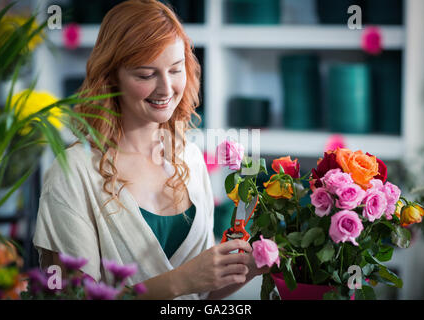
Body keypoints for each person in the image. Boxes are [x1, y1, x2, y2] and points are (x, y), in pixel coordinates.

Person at [33, 0, 268, 300]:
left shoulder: (190, 158)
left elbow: (202, 293)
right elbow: (73, 297)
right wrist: (180, 281)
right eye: (146, 75)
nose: (166, 89)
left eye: (175, 69)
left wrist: (252, 265)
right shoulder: (72, 172)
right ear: (110, 76)